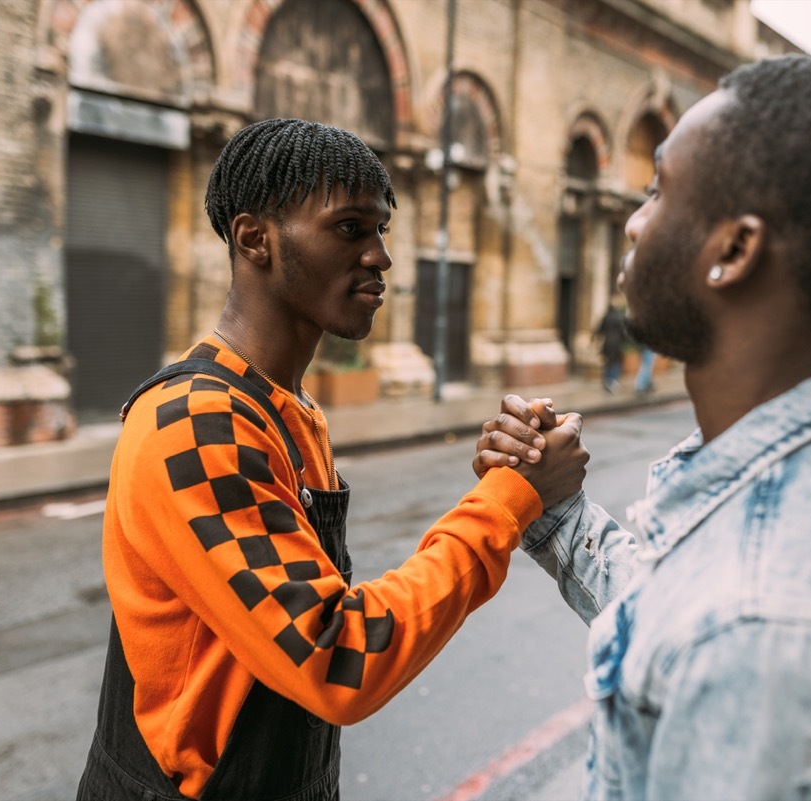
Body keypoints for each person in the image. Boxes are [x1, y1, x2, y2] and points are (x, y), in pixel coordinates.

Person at [475, 55, 811, 800]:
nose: (634, 221)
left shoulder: (770, 630)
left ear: (735, 249)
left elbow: (729, 624)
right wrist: (556, 513)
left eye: (659, 191)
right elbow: (680, 605)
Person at [76, 119, 585, 801]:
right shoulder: (197, 420)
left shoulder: (289, 411)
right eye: (349, 229)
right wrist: (508, 496)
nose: (380, 256)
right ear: (254, 238)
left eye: (381, 231)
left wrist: (507, 482)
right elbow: (340, 655)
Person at [595, 292, 628, 392]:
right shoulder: (619, 317)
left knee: (608, 362)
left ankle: (606, 381)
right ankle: (613, 382)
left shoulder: (606, 316)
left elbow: (599, 331)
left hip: (607, 343)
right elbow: (623, 332)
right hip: (616, 344)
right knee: (616, 362)